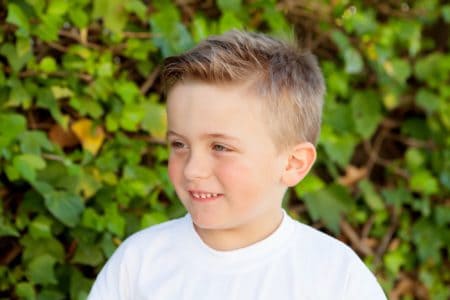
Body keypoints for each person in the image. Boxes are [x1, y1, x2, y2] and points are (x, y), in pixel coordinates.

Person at [88, 30, 387, 300]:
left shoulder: (335, 278)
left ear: (293, 164)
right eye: (179, 144)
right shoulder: (139, 263)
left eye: (220, 147)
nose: (192, 170)